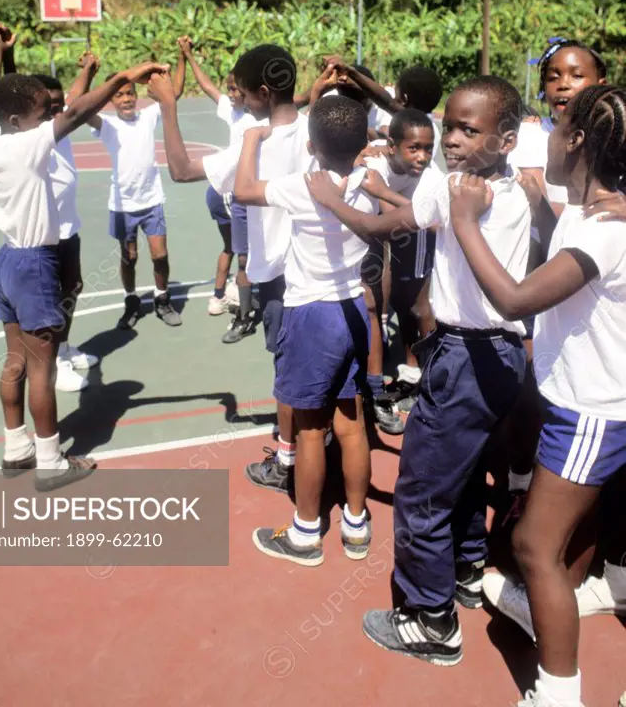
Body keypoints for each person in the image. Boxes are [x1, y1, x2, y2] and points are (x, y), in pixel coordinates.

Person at [307, 76, 530, 665]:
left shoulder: (485, 200)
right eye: (448, 125)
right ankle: (466, 568)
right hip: (485, 357)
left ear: (506, 140)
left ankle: (429, 620)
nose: (451, 138)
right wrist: (374, 194)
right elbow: (396, 222)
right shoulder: (461, 184)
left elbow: (411, 224)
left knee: (423, 489)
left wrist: (330, 201)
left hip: (469, 355)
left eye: (467, 129)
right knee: (462, 472)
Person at [448, 84, 626, 707]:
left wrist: (465, 221)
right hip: (583, 405)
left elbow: (517, 300)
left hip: (591, 414)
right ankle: (549, 604)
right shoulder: (595, 209)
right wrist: (545, 210)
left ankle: (558, 693)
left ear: (577, 142)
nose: (541, 136)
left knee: (532, 544)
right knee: (564, 534)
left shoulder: (605, 229)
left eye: (554, 126)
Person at [0, 61, 164, 489]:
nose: (50, 118)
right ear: (16, 120)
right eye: (42, 112)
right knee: (43, 370)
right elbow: (77, 113)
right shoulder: (28, 146)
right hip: (35, 262)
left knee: (16, 361)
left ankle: (15, 447)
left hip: (6, 261)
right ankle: (50, 463)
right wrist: (122, 78)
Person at [152, 45, 314, 493]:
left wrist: (168, 105)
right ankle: (313, 447)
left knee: (287, 375)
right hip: (322, 272)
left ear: (262, 93)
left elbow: (182, 169)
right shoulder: (317, 129)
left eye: (242, 93)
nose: (238, 99)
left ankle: (287, 460)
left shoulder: (256, 143)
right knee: (316, 371)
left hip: (281, 278)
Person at [234, 96, 378, 565]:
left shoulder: (302, 186)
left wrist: (251, 139)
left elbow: (244, 190)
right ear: (362, 145)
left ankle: (305, 533)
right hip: (353, 308)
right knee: (352, 423)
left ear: (312, 146)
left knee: (311, 430)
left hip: (311, 313)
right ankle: (356, 524)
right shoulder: (370, 182)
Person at [504, 39, 608, 508]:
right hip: (543, 282)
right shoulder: (537, 136)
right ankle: (522, 479)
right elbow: (555, 219)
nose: (563, 83)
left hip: (588, 302)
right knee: (533, 391)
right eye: (553, 76)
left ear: (601, 85)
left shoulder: (610, 154)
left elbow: (571, 220)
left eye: (576, 74)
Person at [0, 28, 100, 392]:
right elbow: (1, 98)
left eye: (56, 105)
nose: (52, 111)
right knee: (54, 301)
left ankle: (64, 346)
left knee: (73, 288)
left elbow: (72, 96)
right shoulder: (35, 138)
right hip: (45, 238)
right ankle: (57, 360)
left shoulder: (51, 122)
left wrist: (90, 72)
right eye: (47, 106)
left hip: (68, 229)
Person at [366, 109, 440, 426]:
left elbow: (427, 220)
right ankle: (409, 373)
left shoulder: (431, 177)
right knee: (396, 304)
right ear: (392, 145)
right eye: (414, 148)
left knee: (419, 307)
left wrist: (383, 192)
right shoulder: (377, 164)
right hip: (388, 243)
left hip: (416, 239)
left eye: (428, 148)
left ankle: (433, 380)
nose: (422, 156)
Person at [90, 74, 182, 330]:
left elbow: (173, 93)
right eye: (118, 95)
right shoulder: (106, 125)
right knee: (129, 257)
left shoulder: (149, 117)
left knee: (160, 255)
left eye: (130, 93)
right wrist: (90, 73)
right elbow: (82, 107)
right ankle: (131, 299)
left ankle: (162, 297)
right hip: (122, 205)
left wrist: (183, 58)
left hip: (151, 200)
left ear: (136, 95)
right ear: (110, 100)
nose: (126, 99)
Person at [176, 35, 256, 330]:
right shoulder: (239, 114)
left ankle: (221, 295)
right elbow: (208, 87)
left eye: (235, 89)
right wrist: (189, 56)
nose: (231, 94)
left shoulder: (246, 113)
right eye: (230, 89)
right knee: (235, 249)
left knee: (234, 248)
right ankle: (226, 295)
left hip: (234, 190)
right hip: (228, 191)